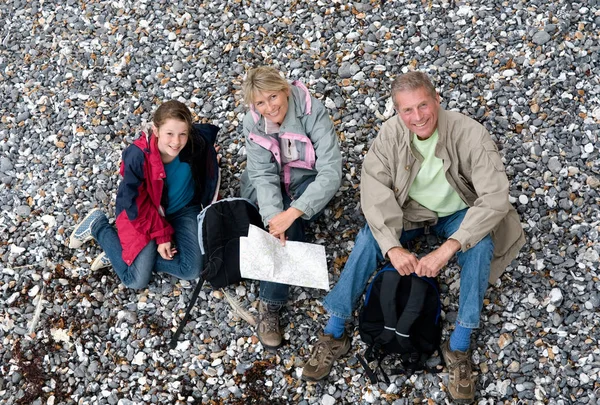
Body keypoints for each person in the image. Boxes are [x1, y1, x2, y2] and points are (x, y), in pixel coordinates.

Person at [302, 71, 525, 404]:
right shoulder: (390, 135)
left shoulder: (470, 134)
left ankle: (460, 344)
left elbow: (494, 197)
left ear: (437, 100)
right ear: (397, 111)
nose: (417, 117)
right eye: (407, 110)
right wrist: (391, 246)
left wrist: (449, 247)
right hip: (410, 211)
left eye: (423, 105)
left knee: (479, 245)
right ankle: (334, 330)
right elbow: (374, 190)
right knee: (368, 239)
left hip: (457, 212)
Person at [240, 66, 342, 350]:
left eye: (273, 97)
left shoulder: (313, 111)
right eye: (260, 102)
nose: (269, 107)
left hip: (306, 185)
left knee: (293, 222)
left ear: (285, 89)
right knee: (281, 225)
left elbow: (331, 172)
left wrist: (293, 212)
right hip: (273, 187)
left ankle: (269, 303)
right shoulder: (253, 122)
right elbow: (262, 175)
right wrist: (274, 217)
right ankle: (270, 306)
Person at [69, 100, 220, 289]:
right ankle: (98, 226)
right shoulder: (137, 157)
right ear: (156, 131)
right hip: (146, 214)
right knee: (135, 281)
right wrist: (162, 236)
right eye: (169, 134)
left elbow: (208, 167)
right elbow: (134, 203)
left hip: (183, 210)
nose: (176, 141)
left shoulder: (195, 145)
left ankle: (124, 253)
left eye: (183, 134)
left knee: (191, 269)